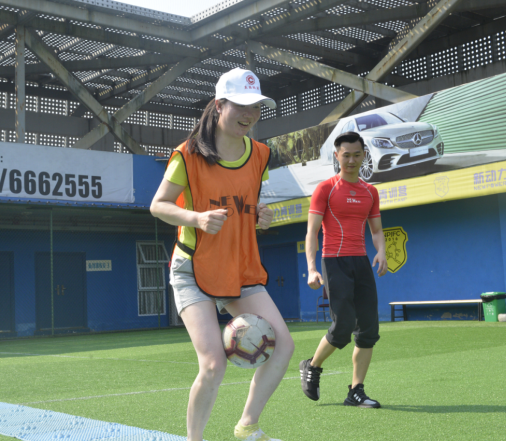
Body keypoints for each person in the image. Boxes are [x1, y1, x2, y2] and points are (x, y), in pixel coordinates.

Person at [150, 68, 294, 441]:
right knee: (214, 364)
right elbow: (159, 205)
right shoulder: (187, 154)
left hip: (240, 268)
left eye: (256, 107)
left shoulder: (260, 154)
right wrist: (195, 217)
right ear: (219, 105)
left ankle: (247, 426)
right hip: (193, 269)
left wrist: (261, 215)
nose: (250, 114)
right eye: (241, 106)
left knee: (283, 345)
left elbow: (249, 203)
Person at [300, 131, 388, 408]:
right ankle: (312, 366)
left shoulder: (370, 191)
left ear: (364, 156)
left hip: (361, 262)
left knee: (369, 329)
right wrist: (311, 268)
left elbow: (376, 231)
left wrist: (381, 251)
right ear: (336, 156)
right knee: (343, 326)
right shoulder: (326, 189)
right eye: (346, 155)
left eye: (356, 155)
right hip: (334, 261)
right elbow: (312, 232)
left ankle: (356, 391)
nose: (351, 160)